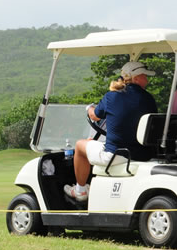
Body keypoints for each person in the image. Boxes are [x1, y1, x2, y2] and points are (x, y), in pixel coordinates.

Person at [63, 61, 158, 202]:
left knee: (79, 145)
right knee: (91, 143)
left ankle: (80, 191)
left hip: (116, 155)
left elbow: (94, 115)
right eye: (145, 76)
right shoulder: (149, 99)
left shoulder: (111, 96)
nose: (147, 80)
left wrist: (89, 108)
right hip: (142, 153)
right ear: (135, 78)